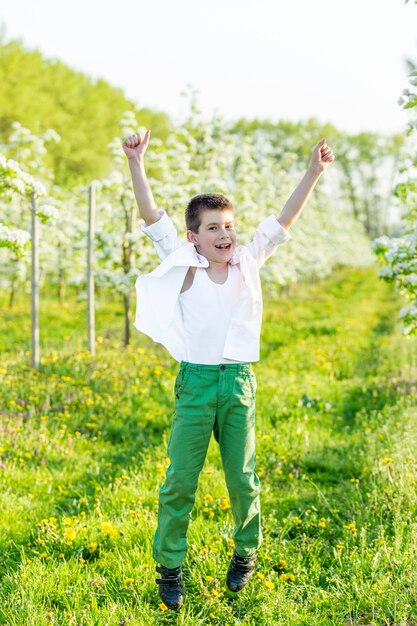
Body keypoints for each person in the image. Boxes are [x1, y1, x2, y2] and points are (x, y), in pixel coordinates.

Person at [122, 130, 334, 610]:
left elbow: (283, 219)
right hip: (196, 383)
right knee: (181, 479)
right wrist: (137, 163)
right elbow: (151, 217)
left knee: (242, 477)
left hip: (238, 382)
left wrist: (313, 172)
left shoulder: (246, 262)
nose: (225, 235)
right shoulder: (184, 264)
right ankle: (169, 568)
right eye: (214, 228)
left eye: (229, 226)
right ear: (194, 236)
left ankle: (245, 552)